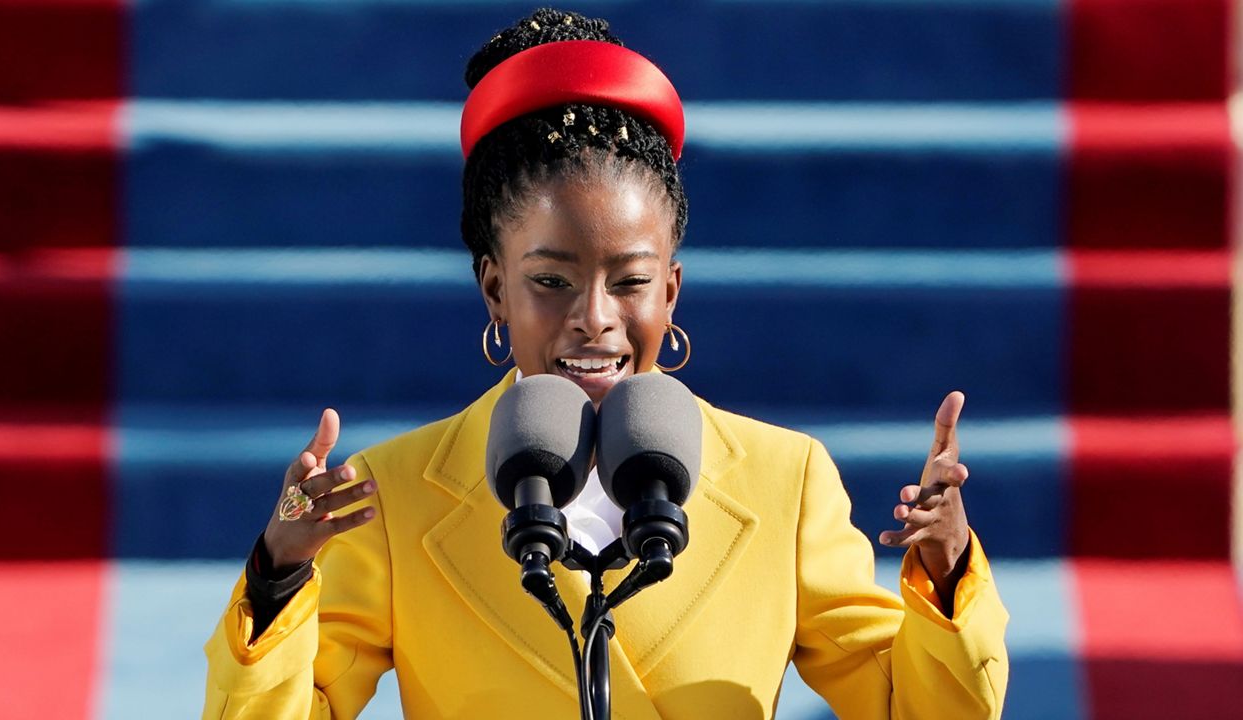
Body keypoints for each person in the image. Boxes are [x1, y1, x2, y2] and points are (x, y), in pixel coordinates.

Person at [202, 8, 1009, 719]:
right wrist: (278, 574)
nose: (595, 319)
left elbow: (919, 711)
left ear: (671, 290)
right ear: (494, 288)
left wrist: (944, 572)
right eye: (551, 281)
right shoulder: (399, 495)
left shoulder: (783, 480)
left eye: (630, 282)